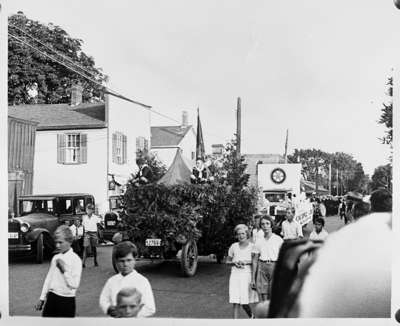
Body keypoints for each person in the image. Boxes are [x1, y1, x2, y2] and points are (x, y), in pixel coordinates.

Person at [34, 225, 82, 317]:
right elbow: (49, 278)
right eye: (56, 242)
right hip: (52, 298)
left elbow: (74, 284)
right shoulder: (56, 257)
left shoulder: (75, 260)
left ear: (69, 241)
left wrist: (64, 270)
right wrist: (42, 298)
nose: (57, 245)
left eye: (60, 242)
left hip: (67, 301)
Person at [99, 241, 156, 317]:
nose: (125, 264)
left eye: (129, 260)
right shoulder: (112, 281)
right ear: (116, 262)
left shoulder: (142, 281)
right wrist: (109, 308)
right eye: (121, 261)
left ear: (135, 260)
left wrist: (131, 314)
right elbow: (103, 300)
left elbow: (150, 307)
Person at [226, 224, 259, 318]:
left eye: (243, 233)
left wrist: (253, 279)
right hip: (235, 275)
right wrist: (234, 263)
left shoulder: (253, 247)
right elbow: (227, 261)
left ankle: (252, 316)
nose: (241, 236)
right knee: (235, 301)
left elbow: (255, 263)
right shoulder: (233, 246)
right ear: (236, 235)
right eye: (239, 234)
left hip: (247, 275)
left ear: (247, 234)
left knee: (244, 301)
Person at [251, 216, 284, 303]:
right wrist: (253, 279)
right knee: (264, 297)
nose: (265, 226)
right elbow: (255, 260)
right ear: (260, 226)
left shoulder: (278, 240)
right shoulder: (259, 241)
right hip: (262, 268)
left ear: (271, 225)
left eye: (267, 223)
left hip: (275, 267)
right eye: (262, 224)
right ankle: (265, 315)